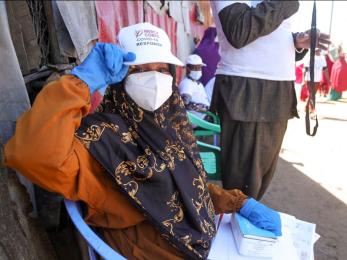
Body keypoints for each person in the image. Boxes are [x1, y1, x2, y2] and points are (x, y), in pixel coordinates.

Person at [5, 22, 282, 259]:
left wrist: (237, 202)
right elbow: (34, 156)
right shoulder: (99, 138)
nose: (154, 79)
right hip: (145, 249)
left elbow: (185, 186)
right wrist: (81, 83)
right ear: (118, 78)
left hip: (197, 239)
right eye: (139, 70)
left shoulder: (172, 124)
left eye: (162, 69)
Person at [210, 1, 330, 199]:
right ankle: (236, 223)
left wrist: (298, 41)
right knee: (242, 186)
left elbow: (270, 34)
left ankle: (242, 223)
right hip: (249, 87)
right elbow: (238, 30)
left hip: (277, 87)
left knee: (258, 182)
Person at [179, 54, 210, 120]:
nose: (198, 70)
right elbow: (184, 104)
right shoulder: (187, 83)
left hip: (205, 117)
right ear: (187, 69)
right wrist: (206, 108)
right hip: (199, 121)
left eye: (199, 68)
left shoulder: (198, 84)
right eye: (194, 68)